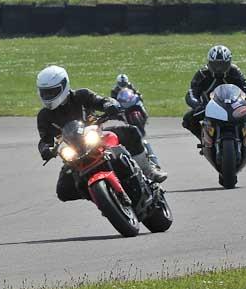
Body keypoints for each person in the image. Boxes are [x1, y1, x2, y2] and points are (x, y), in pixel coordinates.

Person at [36, 66, 167, 203]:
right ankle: (104, 198)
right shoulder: (44, 116)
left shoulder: (81, 96)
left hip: (97, 136)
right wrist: (45, 149)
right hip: (75, 152)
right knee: (63, 191)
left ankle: (148, 170)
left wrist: (110, 105)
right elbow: (45, 139)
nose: (48, 96)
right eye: (45, 93)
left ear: (64, 85)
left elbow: (101, 100)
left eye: (52, 92)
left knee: (131, 132)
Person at [182, 45, 246, 140]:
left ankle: (245, 136)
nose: (219, 68)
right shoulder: (202, 74)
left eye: (222, 65)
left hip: (234, 106)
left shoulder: (235, 71)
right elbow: (191, 92)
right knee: (188, 119)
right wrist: (197, 105)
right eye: (215, 65)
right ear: (209, 63)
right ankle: (204, 139)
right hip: (208, 108)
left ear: (229, 63)